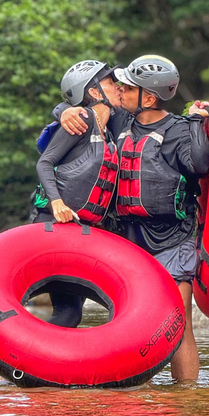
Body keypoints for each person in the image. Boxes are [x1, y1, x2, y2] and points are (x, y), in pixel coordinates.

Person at [58, 55, 209, 381]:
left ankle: (187, 400)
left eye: (127, 87)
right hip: (128, 238)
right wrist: (64, 111)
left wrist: (197, 121)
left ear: (149, 97)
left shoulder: (179, 131)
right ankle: (138, 399)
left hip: (173, 239)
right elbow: (81, 108)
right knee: (136, 324)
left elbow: (199, 163)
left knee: (177, 321)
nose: (120, 91)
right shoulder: (119, 122)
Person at [32, 59, 123, 328]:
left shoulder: (111, 128)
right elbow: (44, 162)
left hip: (81, 232)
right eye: (110, 82)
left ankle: (24, 369)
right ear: (94, 92)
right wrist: (57, 202)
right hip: (51, 225)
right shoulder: (80, 120)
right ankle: (17, 366)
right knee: (68, 312)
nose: (117, 86)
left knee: (70, 314)